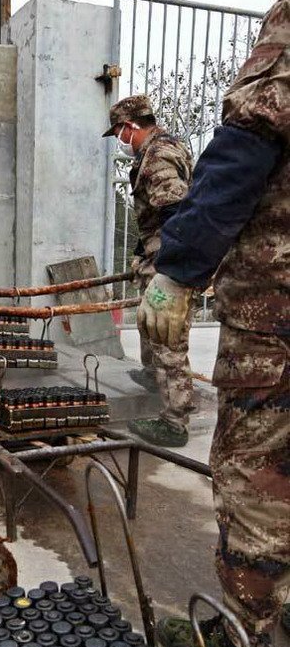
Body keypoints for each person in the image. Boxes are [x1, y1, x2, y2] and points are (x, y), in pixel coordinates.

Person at [138, 0, 289, 647]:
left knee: (256, 475)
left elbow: (248, 144)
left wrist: (179, 267)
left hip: (277, 314)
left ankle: (241, 640)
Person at [102, 95, 195, 447]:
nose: (120, 141)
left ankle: (174, 422)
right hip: (159, 255)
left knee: (167, 337)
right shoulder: (164, 148)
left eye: (118, 133)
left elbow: (176, 211)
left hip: (170, 262)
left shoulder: (157, 157)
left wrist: (170, 271)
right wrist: (143, 253)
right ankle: (153, 375)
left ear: (130, 127)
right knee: (150, 325)